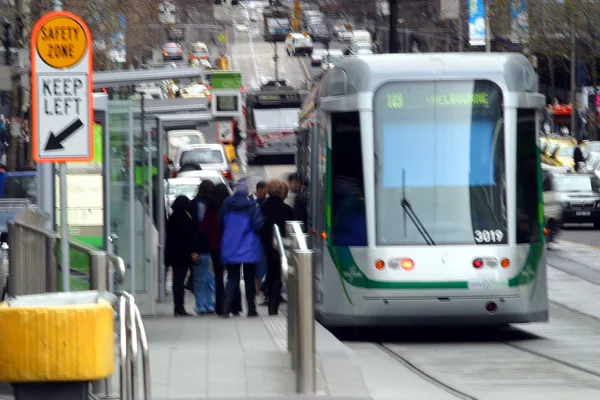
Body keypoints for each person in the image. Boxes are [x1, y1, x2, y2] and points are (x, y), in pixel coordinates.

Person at [219, 177, 264, 318]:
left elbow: (220, 222)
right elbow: (258, 224)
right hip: (248, 247)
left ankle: (226, 309)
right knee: (250, 278)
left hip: (231, 246)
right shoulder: (252, 205)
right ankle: (251, 309)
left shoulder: (226, 203)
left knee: (232, 278)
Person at [201, 183, 242, 316]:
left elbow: (204, 229)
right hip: (231, 246)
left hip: (215, 246)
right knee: (233, 276)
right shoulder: (232, 208)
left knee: (218, 277)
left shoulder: (210, 209)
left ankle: (219, 307)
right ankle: (235, 306)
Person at [260, 180, 294, 315]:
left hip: (267, 245)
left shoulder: (263, 207)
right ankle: (273, 305)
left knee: (270, 271)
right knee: (278, 275)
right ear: (281, 191)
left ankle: (269, 297)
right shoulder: (287, 210)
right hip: (282, 245)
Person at [165, 195, 199, 316]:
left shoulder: (172, 217)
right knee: (181, 280)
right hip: (183, 255)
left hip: (174, 255)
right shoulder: (186, 216)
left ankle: (177, 307)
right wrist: (193, 252)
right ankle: (180, 308)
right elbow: (189, 237)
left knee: (177, 281)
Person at [190, 180, 216, 314]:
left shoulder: (193, 204)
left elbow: (194, 228)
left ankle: (201, 305)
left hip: (198, 248)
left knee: (199, 279)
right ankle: (210, 303)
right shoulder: (213, 205)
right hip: (211, 247)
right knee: (211, 278)